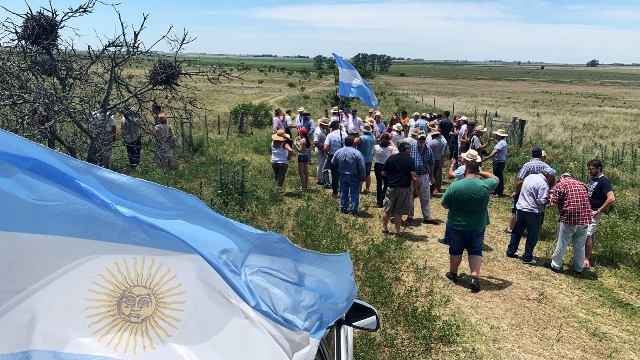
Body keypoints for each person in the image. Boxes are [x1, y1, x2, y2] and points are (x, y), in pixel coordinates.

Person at [441, 160, 498, 292]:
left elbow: (444, 204)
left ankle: (453, 274)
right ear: (478, 172)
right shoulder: (485, 185)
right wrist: (481, 172)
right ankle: (474, 276)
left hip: (456, 224)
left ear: (465, 170)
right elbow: (495, 178)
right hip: (477, 225)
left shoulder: (455, 186)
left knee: (455, 249)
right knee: (475, 250)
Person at [506, 169, 556, 265]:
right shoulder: (543, 184)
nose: (552, 180)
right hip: (533, 211)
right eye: (553, 178)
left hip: (521, 208)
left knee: (517, 231)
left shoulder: (530, 177)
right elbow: (541, 201)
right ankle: (527, 257)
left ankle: (511, 251)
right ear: (549, 176)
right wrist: (549, 200)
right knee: (532, 235)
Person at [549, 173, 592, 273]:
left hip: (569, 218)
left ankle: (555, 265)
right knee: (580, 245)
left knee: (562, 243)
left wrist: (551, 196)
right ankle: (579, 268)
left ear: (561, 178)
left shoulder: (561, 184)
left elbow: (553, 203)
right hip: (584, 218)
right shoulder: (583, 185)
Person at [506, 147, 552, 233]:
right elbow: (550, 180)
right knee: (536, 210)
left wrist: (516, 191)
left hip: (526, 190)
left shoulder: (527, 165)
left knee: (516, 209)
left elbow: (520, 181)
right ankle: (529, 230)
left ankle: (511, 229)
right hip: (540, 192)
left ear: (532, 154)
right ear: (541, 155)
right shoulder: (546, 166)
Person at [382, 142, 419, 235]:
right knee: (399, 211)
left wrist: (391, 177)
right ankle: (398, 232)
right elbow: (414, 177)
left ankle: (385, 228)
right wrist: (416, 190)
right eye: (409, 148)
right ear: (406, 149)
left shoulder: (391, 157)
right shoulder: (410, 160)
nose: (410, 150)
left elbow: (383, 173)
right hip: (404, 188)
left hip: (391, 187)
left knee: (387, 210)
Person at [584, 159, 615, 268]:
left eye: (591, 169)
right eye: (588, 169)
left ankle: (586, 259)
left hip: (594, 212)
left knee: (587, 234)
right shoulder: (593, 178)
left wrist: (598, 211)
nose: (589, 171)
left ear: (599, 168)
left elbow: (611, 198)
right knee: (591, 234)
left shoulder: (604, 181)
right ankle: (587, 255)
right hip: (588, 211)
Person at [332, 136, 366, 215]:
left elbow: (333, 162)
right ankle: (354, 210)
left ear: (344, 142)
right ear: (353, 143)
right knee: (354, 193)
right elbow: (361, 165)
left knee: (343, 192)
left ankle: (344, 208)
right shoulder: (357, 152)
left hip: (342, 174)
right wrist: (363, 175)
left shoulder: (338, 151)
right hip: (354, 175)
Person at [408, 131, 437, 224]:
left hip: (424, 175)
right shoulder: (411, 147)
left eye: (423, 138)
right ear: (417, 138)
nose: (421, 140)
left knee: (425, 196)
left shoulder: (428, 148)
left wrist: (432, 176)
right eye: (420, 138)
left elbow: (432, 162)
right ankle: (410, 216)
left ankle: (427, 217)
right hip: (412, 175)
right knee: (410, 196)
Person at [323, 120, 348, 195]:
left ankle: (335, 191)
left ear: (332, 127)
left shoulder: (330, 135)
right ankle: (342, 190)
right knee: (343, 174)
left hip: (333, 155)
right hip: (343, 155)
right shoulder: (344, 134)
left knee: (334, 174)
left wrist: (328, 154)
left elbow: (325, 148)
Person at [482, 129, 508, 197]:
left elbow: (495, 152)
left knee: (498, 177)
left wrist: (487, 158)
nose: (495, 135)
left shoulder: (502, 143)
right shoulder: (501, 142)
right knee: (496, 176)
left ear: (500, 136)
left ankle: (499, 193)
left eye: (497, 134)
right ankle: (496, 191)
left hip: (499, 162)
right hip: (498, 161)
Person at [374, 133, 395, 207]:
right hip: (386, 167)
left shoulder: (375, 147)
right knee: (386, 184)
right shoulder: (390, 148)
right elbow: (395, 149)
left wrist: (378, 140)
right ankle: (382, 199)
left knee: (379, 184)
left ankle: (378, 201)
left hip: (378, 166)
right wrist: (390, 141)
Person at [355, 124, 376, 192]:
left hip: (361, 159)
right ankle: (367, 189)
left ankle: (359, 188)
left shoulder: (362, 138)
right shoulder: (373, 137)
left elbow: (353, 143)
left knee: (360, 174)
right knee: (368, 174)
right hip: (369, 158)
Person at [314, 118, 330, 186]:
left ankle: (321, 178)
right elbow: (315, 142)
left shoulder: (322, 129)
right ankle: (319, 179)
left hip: (323, 149)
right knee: (321, 165)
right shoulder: (318, 131)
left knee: (322, 164)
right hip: (321, 150)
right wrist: (322, 148)